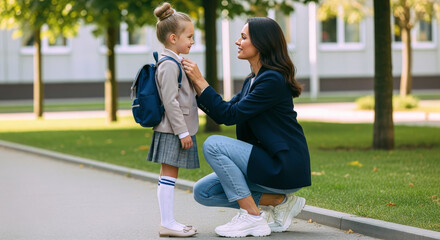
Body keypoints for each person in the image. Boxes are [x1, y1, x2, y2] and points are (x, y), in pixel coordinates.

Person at [181, 17, 311, 238]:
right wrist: (194, 88)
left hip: (283, 165)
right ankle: (280, 202)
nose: (237, 42)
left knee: (213, 144)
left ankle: (252, 216)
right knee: (203, 192)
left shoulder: (272, 80)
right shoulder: (252, 80)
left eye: (243, 37)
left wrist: (201, 82)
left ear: (261, 43)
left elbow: (229, 116)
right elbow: (224, 110)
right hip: (264, 162)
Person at [146, 2, 198, 238]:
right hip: (171, 130)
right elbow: (171, 102)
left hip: (172, 130)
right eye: (190, 36)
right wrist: (182, 132)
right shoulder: (168, 65)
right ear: (174, 37)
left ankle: (169, 221)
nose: (192, 41)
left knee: (169, 174)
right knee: (168, 175)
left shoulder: (174, 61)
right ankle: (167, 223)